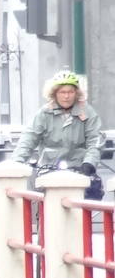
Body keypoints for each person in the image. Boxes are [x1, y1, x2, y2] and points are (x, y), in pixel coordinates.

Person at [13, 70, 105, 201]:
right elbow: (29, 138)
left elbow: (95, 140)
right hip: (48, 168)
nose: (66, 96)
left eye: (70, 92)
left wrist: (89, 163)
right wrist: (17, 162)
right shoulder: (44, 113)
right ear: (54, 94)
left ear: (76, 93)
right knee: (41, 202)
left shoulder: (87, 112)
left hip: (78, 168)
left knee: (82, 206)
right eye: (62, 92)